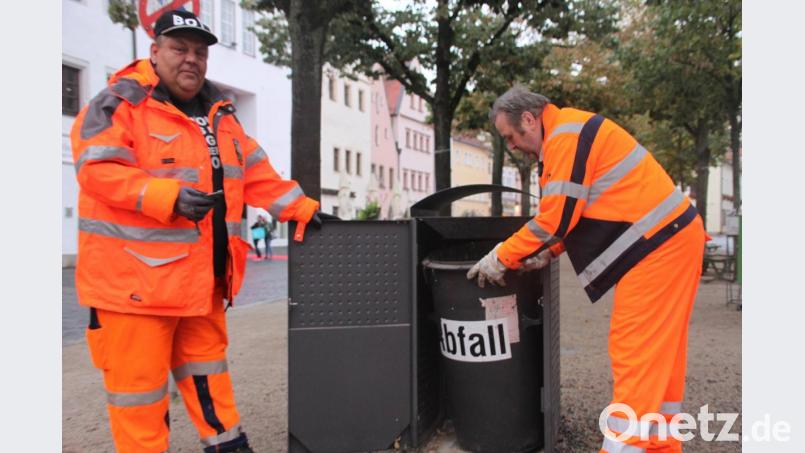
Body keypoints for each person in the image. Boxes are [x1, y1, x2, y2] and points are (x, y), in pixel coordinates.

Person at [70, 9, 323, 453]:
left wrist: (302, 209)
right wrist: (165, 196)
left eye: (200, 52)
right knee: (140, 399)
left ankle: (229, 447)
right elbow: (97, 170)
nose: (191, 59)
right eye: (179, 48)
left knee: (210, 379)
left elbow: (256, 172)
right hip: (134, 290)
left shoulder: (220, 112)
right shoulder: (119, 103)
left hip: (200, 284)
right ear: (155, 51)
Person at [467, 86, 706, 453]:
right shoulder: (569, 134)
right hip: (670, 240)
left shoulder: (565, 138)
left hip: (659, 247)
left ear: (529, 119)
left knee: (635, 350)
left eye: (510, 136)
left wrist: (502, 256)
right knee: (661, 355)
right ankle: (659, 446)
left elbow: (554, 220)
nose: (511, 145)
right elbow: (586, 210)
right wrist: (550, 252)